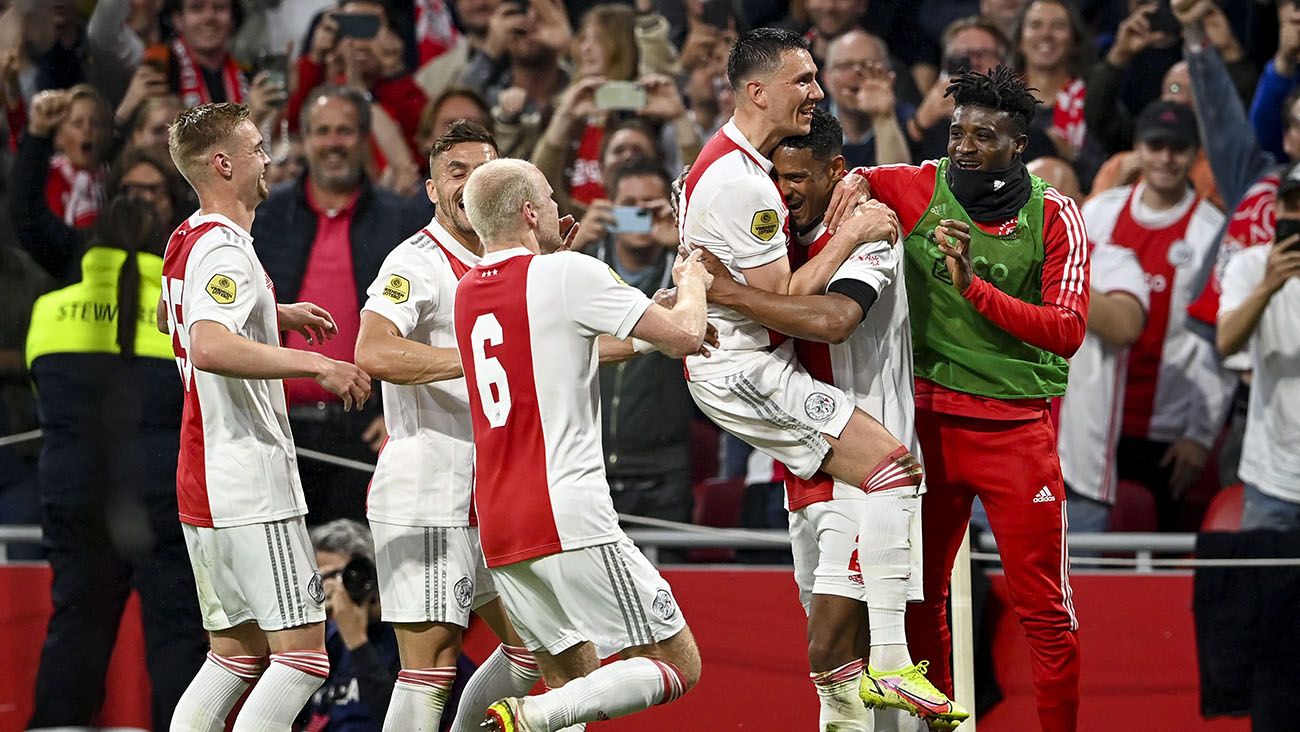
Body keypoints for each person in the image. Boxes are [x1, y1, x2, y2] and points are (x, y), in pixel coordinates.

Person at [680, 27, 959, 726]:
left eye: (799, 177)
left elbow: (830, 319)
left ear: (838, 173)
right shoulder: (753, 189)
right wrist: (845, 233)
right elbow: (787, 301)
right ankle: (892, 669)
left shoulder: (864, 225)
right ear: (756, 91)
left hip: (835, 438)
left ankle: (891, 670)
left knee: (837, 654)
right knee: (835, 636)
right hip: (796, 418)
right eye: (801, 80)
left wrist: (863, 221)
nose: (786, 190)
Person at [843, 66, 1089, 732]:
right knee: (917, 599)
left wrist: (975, 289)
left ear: (1019, 145)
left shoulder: (1053, 212)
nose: (965, 146)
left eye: (985, 135)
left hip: (1016, 435)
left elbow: (1067, 330)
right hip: (929, 431)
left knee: (1045, 611)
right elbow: (842, 181)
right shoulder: (917, 186)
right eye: (958, 130)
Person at [454, 158, 709, 731]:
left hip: (498, 523)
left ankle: (536, 713)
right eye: (548, 198)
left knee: (575, 677)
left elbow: (561, 346)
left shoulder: (468, 291)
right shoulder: (568, 273)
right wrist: (692, 279)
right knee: (675, 664)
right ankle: (532, 713)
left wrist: (644, 319)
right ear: (527, 212)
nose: (559, 208)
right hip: (566, 513)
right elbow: (688, 336)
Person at [161, 101, 371, 730]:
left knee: (233, 656)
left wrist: (272, 313)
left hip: (205, 475)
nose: (268, 159)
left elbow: (192, 320)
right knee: (304, 658)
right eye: (256, 148)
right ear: (223, 163)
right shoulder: (225, 248)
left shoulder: (188, 236)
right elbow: (209, 344)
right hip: (249, 478)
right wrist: (318, 367)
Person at [353, 120, 546, 732]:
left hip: (492, 494)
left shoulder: (510, 263)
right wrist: (477, 360)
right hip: (428, 492)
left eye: (481, 171)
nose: (469, 185)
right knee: (430, 667)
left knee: (538, 646)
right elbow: (373, 351)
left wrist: (662, 333)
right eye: (455, 174)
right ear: (433, 190)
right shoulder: (416, 260)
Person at [24, 195, 207, 731]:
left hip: (75, 489)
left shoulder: (49, 308)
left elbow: (43, 394)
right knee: (176, 641)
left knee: (75, 634)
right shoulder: (183, 315)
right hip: (161, 496)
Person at [253, 85, 431, 524]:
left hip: (366, 431)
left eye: (345, 131)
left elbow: (429, 322)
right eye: (323, 131)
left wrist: (398, 412)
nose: (334, 142)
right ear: (305, 139)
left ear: (365, 138)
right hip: (278, 429)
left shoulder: (403, 218)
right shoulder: (265, 217)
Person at [1082, 100, 1234, 531]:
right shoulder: (1100, 213)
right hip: (1097, 418)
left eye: (1179, 148)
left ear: (1195, 154)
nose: (1167, 158)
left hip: (1167, 427)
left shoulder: (1211, 231)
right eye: (1156, 145)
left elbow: (1214, 338)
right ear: (1138, 148)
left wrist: (1199, 435)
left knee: (1157, 542)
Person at [581, 156, 697, 530]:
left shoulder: (688, 273)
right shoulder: (581, 269)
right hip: (587, 471)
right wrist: (574, 245)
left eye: (651, 208)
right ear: (609, 208)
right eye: (630, 209)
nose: (641, 218)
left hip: (663, 477)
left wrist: (682, 244)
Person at [1216, 163, 1300, 530]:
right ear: (1277, 211)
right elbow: (1226, 341)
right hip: (1273, 476)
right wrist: (1268, 287)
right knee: (1263, 588)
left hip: (1272, 472)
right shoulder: (1249, 267)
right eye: (1291, 206)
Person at [1055, 242, 1149, 532]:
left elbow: (1126, 326)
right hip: (998, 467)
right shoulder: (987, 248)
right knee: (994, 578)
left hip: (1079, 478)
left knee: (1080, 579)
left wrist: (1051, 262)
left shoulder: (1111, 260)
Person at [301, 519, 403, 730]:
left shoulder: (406, 637)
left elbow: (401, 721)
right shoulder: (326, 642)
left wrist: (357, 642)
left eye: (340, 575)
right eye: (321, 579)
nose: (329, 587)